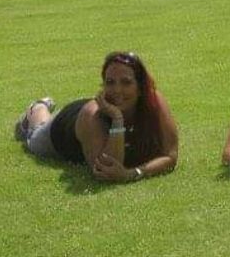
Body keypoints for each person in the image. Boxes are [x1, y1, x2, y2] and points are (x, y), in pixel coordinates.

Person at [14, 51, 179, 182]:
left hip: (85, 112)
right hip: (61, 129)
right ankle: (37, 108)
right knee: (35, 134)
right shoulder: (92, 115)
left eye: (126, 82)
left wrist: (133, 173)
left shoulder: (154, 101)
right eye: (110, 82)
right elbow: (106, 170)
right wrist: (117, 119)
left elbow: (170, 156)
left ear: (140, 87)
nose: (117, 90)